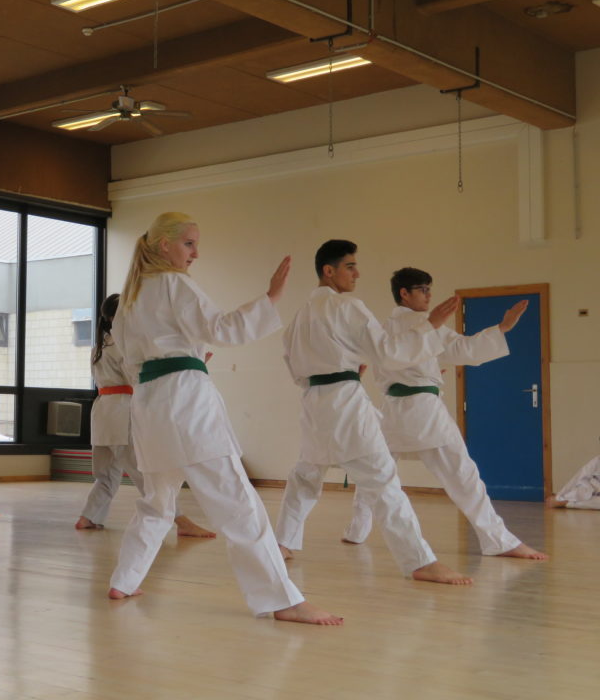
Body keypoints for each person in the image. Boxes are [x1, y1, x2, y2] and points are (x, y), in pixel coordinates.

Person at [107, 212, 341, 625]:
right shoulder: (174, 282)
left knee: (157, 501)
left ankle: (124, 580)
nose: (195, 253)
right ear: (164, 245)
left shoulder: (131, 297)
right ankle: (281, 599)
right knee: (238, 502)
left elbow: (133, 361)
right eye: (189, 244)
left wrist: (189, 359)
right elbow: (223, 328)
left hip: (150, 405)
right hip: (185, 403)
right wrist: (270, 298)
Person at [276, 240, 472, 584]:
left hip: (313, 402)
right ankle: (420, 561)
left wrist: (342, 369)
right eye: (350, 266)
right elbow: (389, 353)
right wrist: (430, 325)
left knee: (306, 475)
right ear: (329, 270)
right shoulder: (346, 305)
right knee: (382, 480)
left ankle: (282, 542)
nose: (357, 273)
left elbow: (294, 368)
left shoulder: (299, 316)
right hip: (345, 404)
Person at [341, 267, 547, 559]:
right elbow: (464, 349)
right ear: (404, 293)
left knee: (376, 472)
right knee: (463, 475)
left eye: (429, 289)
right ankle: (498, 540)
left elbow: (400, 360)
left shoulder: (384, 328)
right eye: (422, 289)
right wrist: (502, 329)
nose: (428, 295)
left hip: (392, 410)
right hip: (423, 411)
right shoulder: (424, 324)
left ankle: (356, 530)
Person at [75, 293, 215, 538]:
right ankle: (181, 521)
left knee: (105, 474)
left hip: (102, 412)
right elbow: (140, 379)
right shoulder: (124, 345)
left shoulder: (99, 346)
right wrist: (190, 368)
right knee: (146, 473)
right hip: (123, 412)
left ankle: (89, 517)